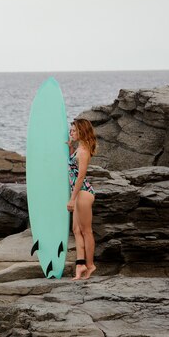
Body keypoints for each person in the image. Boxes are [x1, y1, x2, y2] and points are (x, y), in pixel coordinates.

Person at [66, 118, 97, 280]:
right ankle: (80, 265)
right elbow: (73, 166)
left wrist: (72, 199)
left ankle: (90, 265)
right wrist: (70, 147)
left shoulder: (84, 151)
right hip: (78, 193)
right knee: (76, 230)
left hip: (83, 193)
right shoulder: (79, 148)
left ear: (81, 131)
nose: (70, 132)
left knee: (86, 231)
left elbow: (80, 176)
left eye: (73, 130)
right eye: (70, 130)